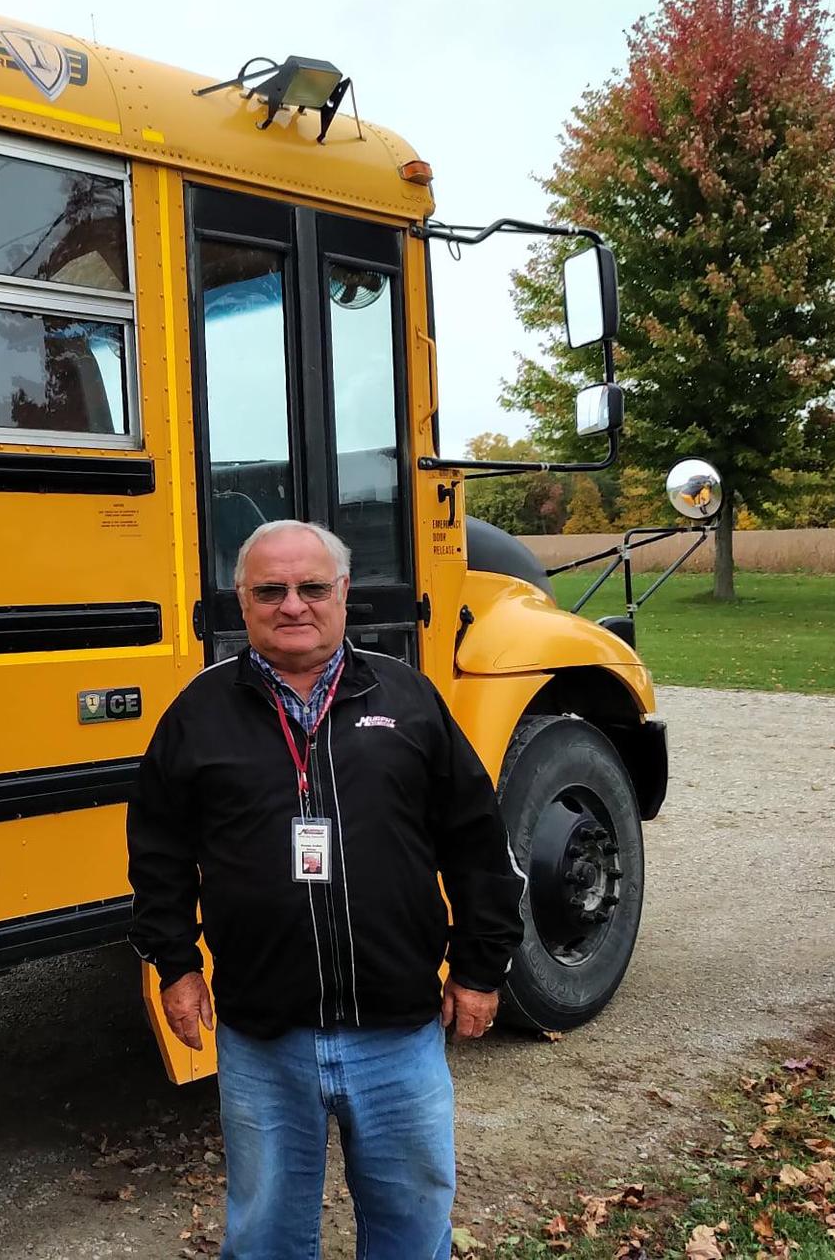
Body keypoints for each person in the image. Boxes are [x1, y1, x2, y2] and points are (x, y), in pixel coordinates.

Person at [127, 520, 525, 1260]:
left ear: (343, 594)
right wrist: (175, 966)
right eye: (269, 591)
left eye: (312, 588)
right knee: (265, 1237)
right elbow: (158, 853)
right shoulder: (199, 713)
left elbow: (476, 842)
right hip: (262, 1039)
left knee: (411, 1232)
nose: (293, 606)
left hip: (398, 1034)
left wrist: (479, 967)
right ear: (240, 603)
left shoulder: (408, 700)